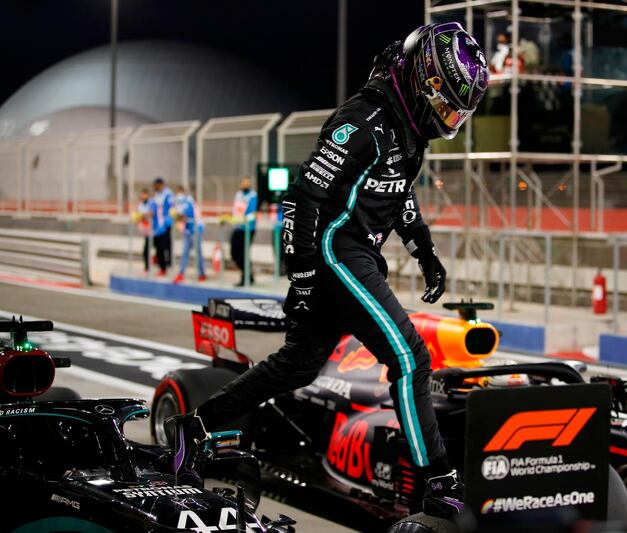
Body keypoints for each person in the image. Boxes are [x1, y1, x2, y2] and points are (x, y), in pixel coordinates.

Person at [166, 22, 488, 518]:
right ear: (425, 82)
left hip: (354, 255)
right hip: (338, 252)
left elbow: (398, 193)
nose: (449, 118)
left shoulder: (407, 130)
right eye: (447, 104)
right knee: (411, 359)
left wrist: (424, 252)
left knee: (298, 365)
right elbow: (303, 196)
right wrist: (305, 274)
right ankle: (437, 479)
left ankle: (194, 426)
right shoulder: (364, 120)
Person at [172, 185, 206, 284]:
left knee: (198, 253)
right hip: (188, 231)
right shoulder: (181, 203)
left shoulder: (188, 202)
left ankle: (201, 273)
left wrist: (176, 215)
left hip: (196, 230)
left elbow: (185, 216)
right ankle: (181, 273)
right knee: (185, 252)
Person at [229, 177, 258, 286]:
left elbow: (253, 212)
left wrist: (245, 219)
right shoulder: (238, 195)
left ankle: (246, 276)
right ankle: (248, 273)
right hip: (237, 227)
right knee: (234, 252)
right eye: (243, 182)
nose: (244, 184)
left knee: (243, 253)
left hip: (248, 228)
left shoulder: (253, 195)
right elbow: (235, 210)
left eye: (247, 182)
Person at [151, 177, 174, 276]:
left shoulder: (168, 194)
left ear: (160, 184)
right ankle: (161, 264)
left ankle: (165, 265)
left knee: (164, 246)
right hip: (157, 226)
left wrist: (168, 221)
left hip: (165, 224)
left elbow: (172, 207)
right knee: (157, 246)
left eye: (156, 185)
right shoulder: (157, 195)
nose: (155, 187)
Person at [135, 188, 153, 273]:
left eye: (144, 194)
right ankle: (147, 266)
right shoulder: (140, 205)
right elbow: (137, 215)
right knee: (146, 249)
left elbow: (151, 214)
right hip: (145, 230)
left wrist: (144, 215)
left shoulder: (151, 203)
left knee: (155, 247)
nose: (143, 196)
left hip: (153, 229)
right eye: (142, 194)